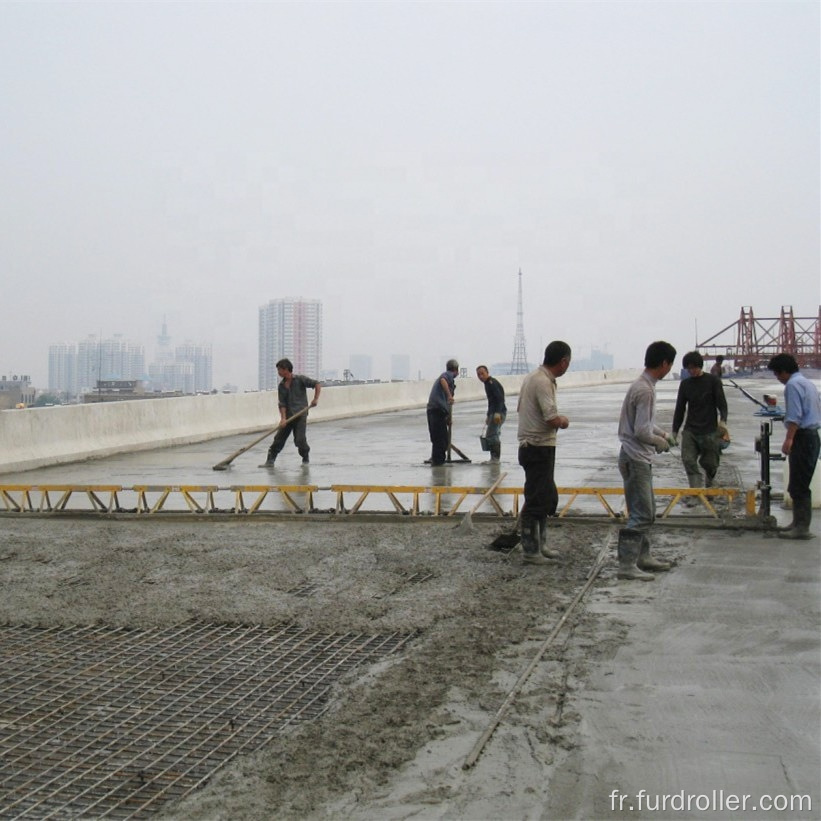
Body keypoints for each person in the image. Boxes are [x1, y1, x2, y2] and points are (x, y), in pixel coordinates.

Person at [617, 341, 677, 580]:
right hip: (636, 457)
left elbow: (646, 424)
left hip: (633, 456)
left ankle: (642, 556)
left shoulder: (642, 385)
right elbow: (642, 431)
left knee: (643, 510)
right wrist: (658, 442)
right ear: (664, 363)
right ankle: (627, 565)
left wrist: (662, 434)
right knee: (643, 513)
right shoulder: (645, 390)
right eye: (670, 365)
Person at [516, 341, 572, 565]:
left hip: (535, 446)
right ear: (563, 362)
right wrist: (564, 421)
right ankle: (531, 550)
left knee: (545, 495)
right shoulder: (542, 382)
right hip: (537, 446)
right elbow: (551, 418)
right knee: (537, 499)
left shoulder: (534, 377)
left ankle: (541, 544)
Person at [767, 353, 821, 540]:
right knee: (800, 481)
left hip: (802, 437)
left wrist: (789, 439)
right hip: (812, 436)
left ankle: (802, 528)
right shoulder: (807, 383)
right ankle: (798, 523)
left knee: (799, 484)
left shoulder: (792, 385)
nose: (777, 378)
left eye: (777, 374)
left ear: (783, 372)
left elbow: (795, 416)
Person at [672, 350, 729, 501]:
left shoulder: (713, 381)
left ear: (700, 366)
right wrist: (674, 431)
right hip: (690, 430)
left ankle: (709, 484)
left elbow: (722, 404)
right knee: (689, 460)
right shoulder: (685, 384)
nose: (692, 371)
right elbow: (680, 408)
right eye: (688, 369)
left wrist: (723, 421)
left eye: (694, 368)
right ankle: (695, 493)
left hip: (710, 430)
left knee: (710, 463)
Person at [262, 358, 321, 466]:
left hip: (300, 415)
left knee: (300, 440)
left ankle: (305, 457)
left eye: (279, 370)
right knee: (278, 439)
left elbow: (317, 384)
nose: (278, 372)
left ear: (286, 369)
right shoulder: (281, 386)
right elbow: (282, 404)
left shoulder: (300, 379)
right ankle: (270, 460)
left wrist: (315, 399)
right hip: (288, 417)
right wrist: (283, 418)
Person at [426, 359, 459, 466]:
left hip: (437, 410)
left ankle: (437, 459)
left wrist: (448, 417)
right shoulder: (447, 375)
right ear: (456, 370)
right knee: (440, 439)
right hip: (436, 410)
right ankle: (438, 462)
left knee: (441, 439)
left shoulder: (451, 381)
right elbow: (443, 380)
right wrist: (449, 395)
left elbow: (446, 403)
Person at [476, 365, 506, 462]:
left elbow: (500, 398)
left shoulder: (492, 383)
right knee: (492, 434)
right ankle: (494, 458)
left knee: (492, 434)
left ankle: (495, 458)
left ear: (487, 373)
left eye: (482, 373)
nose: (480, 376)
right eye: (478, 374)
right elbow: (491, 401)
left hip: (498, 412)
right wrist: (488, 415)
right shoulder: (487, 383)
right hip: (494, 412)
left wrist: (497, 413)